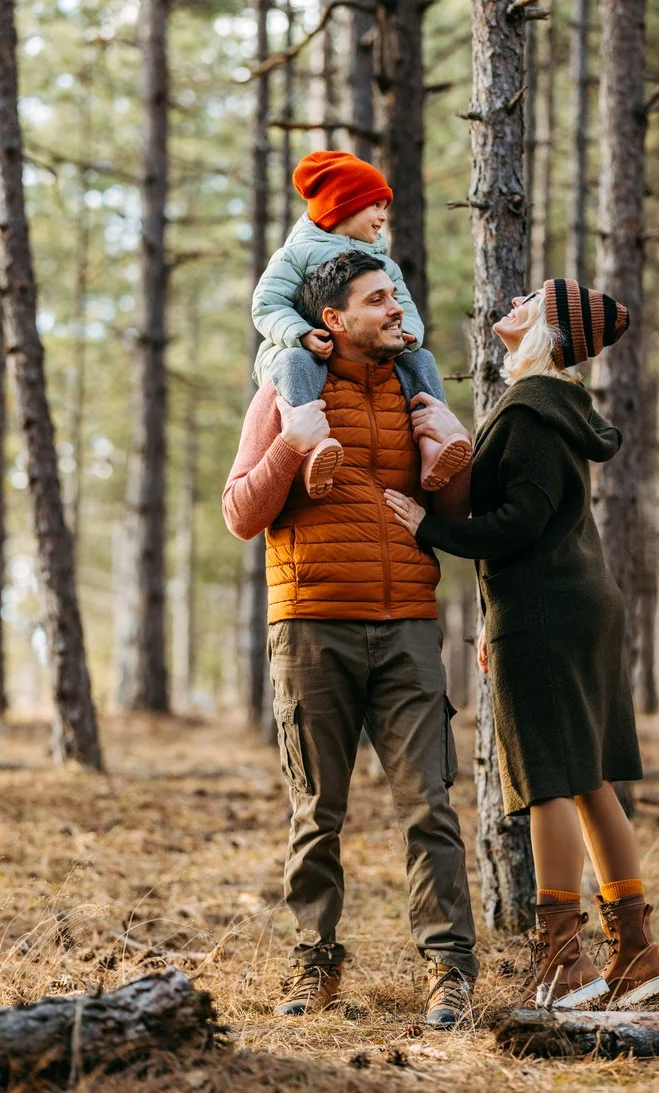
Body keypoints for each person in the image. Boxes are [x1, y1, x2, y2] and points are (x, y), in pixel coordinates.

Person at [385, 278, 659, 1010]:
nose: (512, 298)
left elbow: (515, 522)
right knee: (586, 778)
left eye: (532, 297)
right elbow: (540, 526)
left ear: (546, 327)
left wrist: (428, 528)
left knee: (550, 776)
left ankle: (563, 961)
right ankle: (638, 956)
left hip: (551, 612)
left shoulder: (533, 407)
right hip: (566, 601)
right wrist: (492, 613)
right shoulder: (554, 406)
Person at [223, 251, 479, 1028]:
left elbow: (458, 514)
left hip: (407, 623)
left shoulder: (416, 388)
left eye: (396, 294)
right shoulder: (284, 391)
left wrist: (452, 436)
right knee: (316, 811)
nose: (397, 308)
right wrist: (292, 444)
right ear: (334, 320)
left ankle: (449, 972)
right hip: (310, 626)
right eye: (378, 300)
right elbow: (239, 513)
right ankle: (314, 963)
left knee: (429, 807)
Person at [252, 150, 470, 498]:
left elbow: (405, 304)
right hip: (306, 350)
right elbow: (266, 305)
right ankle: (313, 453)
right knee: (294, 364)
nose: (384, 216)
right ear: (342, 207)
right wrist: (302, 334)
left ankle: (432, 445)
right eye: (375, 206)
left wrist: (409, 331)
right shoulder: (296, 255)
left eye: (385, 207)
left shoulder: (382, 262)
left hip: (367, 351)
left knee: (421, 360)